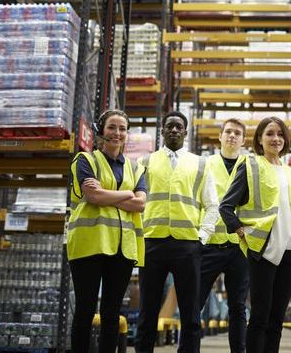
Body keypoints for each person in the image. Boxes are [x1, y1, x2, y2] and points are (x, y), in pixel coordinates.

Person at [219, 116, 291, 353]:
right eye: (270, 133)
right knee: (260, 317)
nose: (276, 139)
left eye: (280, 134)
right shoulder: (250, 166)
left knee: (277, 320)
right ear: (260, 139)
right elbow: (226, 206)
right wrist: (241, 231)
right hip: (263, 251)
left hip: (290, 253)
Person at [135, 111, 219, 353]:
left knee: (191, 313)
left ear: (185, 132)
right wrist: (140, 234)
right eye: (169, 126)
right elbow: (137, 201)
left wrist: (202, 237)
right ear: (162, 131)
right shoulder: (145, 163)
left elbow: (212, 204)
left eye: (178, 127)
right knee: (147, 312)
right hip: (152, 243)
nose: (173, 130)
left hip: (187, 246)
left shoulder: (200, 164)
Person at [68, 109, 147, 353]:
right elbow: (93, 195)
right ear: (101, 131)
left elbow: (141, 203)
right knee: (85, 310)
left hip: (122, 248)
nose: (117, 133)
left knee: (112, 313)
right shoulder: (85, 161)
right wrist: (126, 194)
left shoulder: (136, 168)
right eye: (112, 127)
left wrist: (107, 195)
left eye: (122, 128)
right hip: (89, 245)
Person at [199, 118, 249, 353]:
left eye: (237, 133)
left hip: (241, 247)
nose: (232, 136)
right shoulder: (205, 164)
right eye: (228, 132)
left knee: (238, 307)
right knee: (194, 303)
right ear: (219, 136)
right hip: (208, 245)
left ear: (243, 139)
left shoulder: (251, 166)